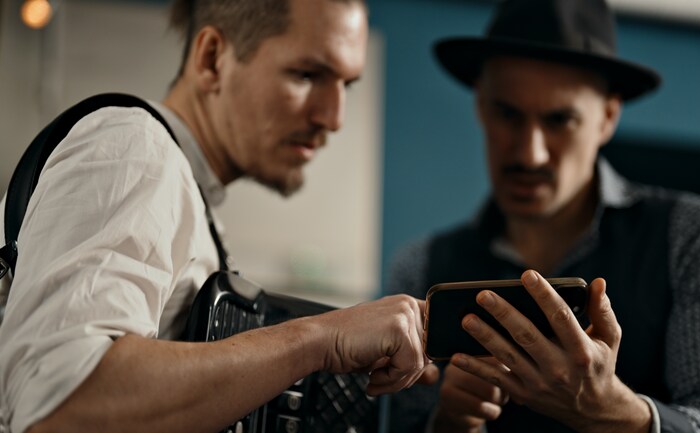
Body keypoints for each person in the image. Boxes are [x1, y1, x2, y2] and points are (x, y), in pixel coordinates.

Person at [0, 0, 438, 432]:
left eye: (347, 85)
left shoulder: (186, 194)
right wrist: (321, 339)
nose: (334, 117)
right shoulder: (137, 151)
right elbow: (60, 406)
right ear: (212, 59)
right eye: (307, 74)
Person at [385, 0, 700, 432]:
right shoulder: (420, 267)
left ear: (607, 118)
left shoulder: (693, 238)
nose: (530, 153)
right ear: (480, 106)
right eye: (508, 114)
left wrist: (612, 410)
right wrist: (449, 423)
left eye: (560, 120)